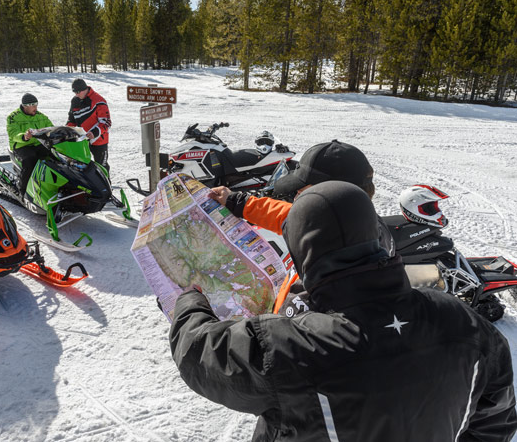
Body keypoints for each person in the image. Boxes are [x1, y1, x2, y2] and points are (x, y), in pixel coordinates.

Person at [170, 181, 517, 442]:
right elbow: (497, 416)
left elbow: (199, 353)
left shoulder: (291, 345)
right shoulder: (462, 320)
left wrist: (186, 300)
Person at [209, 140, 394, 316]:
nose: (295, 193)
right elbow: (285, 215)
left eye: (303, 188)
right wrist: (238, 201)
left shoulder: (351, 256)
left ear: (333, 193)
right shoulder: (337, 222)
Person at [6, 93, 53, 196]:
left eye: (36, 105)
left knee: (53, 157)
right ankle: (23, 191)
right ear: (25, 106)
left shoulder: (41, 116)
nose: (35, 108)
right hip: (21, 145)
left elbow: (51, 128)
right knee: (30, 160)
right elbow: (13, 133)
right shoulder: (13, 117)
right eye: (33, 105)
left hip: (38, 144)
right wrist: (24, 136)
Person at [67, 79, 112, 173]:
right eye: (74, 92)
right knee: (80, 165)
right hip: (82, 139)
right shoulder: (75, 101)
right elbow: (71, 120)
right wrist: (67, 130)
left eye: (78, 92)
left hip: (99, 139)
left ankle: (106, 187)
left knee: (101, 167)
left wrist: (94, 132)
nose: (76, 94)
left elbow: (106, 122)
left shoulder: (98, 100)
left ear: (85, 89)